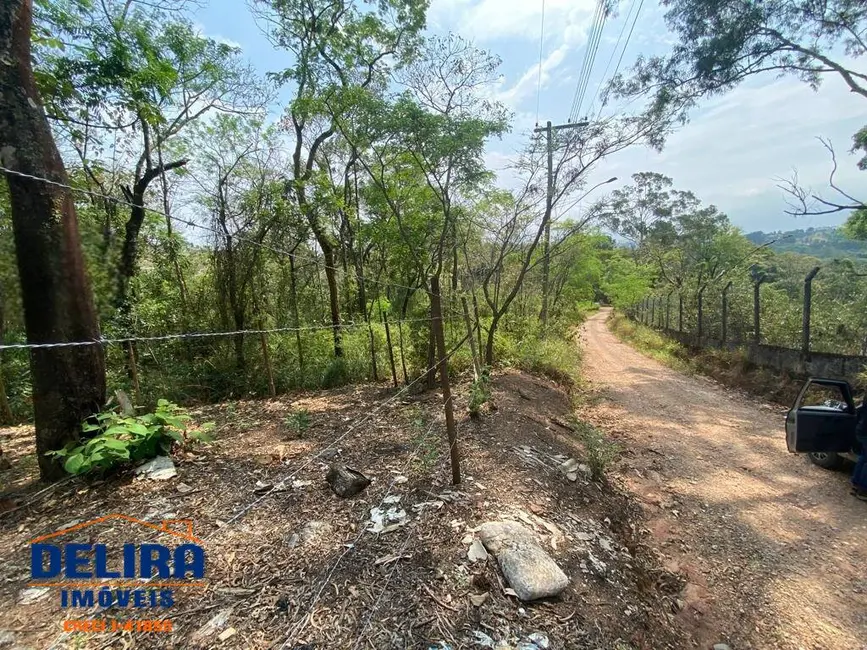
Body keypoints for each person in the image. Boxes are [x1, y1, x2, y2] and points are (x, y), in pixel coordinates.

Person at [852, 397, 867, 501]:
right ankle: (863, 491)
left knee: (863, 458)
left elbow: (860, 410)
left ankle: (855, 484)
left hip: (861, 430)